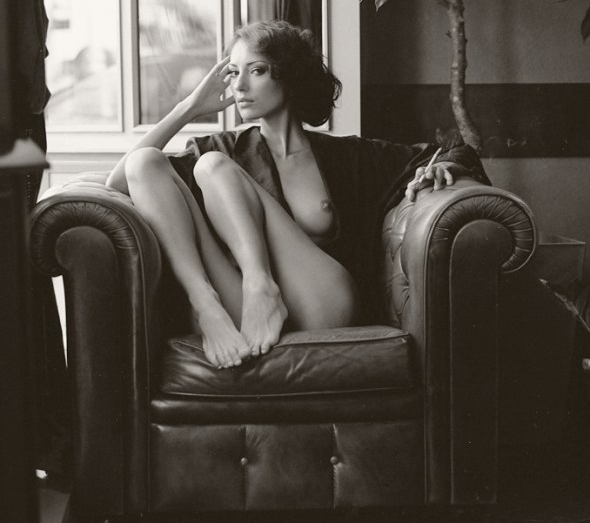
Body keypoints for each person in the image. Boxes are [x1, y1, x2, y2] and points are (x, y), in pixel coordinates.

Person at [106, 20, 489, 370]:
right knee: (148, 161)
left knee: (211, 167)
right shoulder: (224, 147)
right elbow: (122, 180)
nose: (239, 87)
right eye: (234, 73)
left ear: (289, 75)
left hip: (322, 305)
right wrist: (188, 108)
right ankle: (205, 303)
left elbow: (455, 151)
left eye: (256, 71)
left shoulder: (347, 156)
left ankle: (260, 283)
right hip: (246, 310)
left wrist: (441, 168)